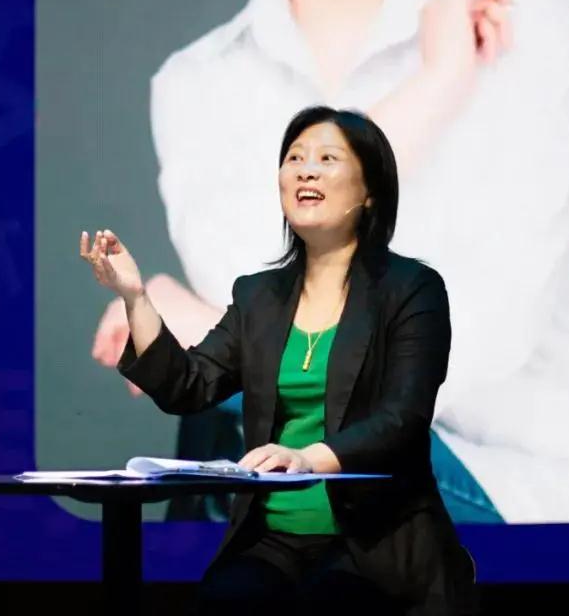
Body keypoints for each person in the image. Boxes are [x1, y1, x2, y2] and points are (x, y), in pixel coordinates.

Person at [92, 0, 569, 523]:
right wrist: (434, 85)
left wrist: (203, 330)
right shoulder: (196, 86)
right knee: (239, 444)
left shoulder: (520, 18)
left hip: (529, 493)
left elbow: (477, 341)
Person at [81, 107, 477, 615]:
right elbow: (190, 386)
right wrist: (136, 297)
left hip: (374, 541)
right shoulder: (259, 296)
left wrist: (309, 458)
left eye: (327, 159)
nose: (306, 171)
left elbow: (403, 418)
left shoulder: (411, 290)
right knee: (226, 601)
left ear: (369, 192)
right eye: (295, 158)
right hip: (272, 541)